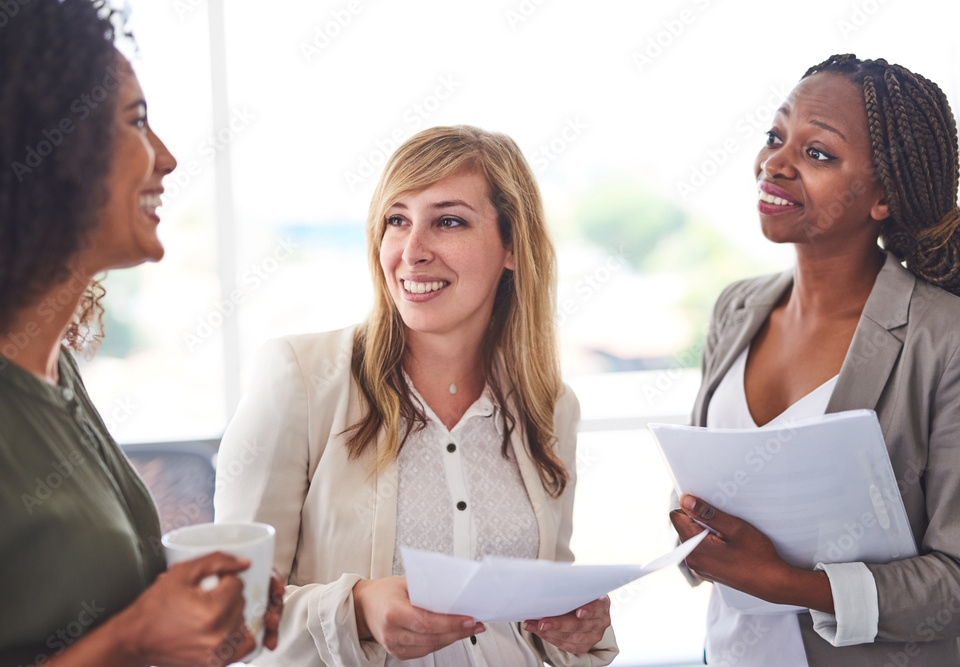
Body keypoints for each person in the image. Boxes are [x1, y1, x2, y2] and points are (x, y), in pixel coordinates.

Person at [215, 125, 618, 665]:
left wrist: (578, 626)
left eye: (448, 221)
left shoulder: (551, 406)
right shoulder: (299, 380)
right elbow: (227, 617)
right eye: (397, 220)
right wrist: (357, 609)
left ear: (512, 248)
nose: (411, 251)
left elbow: (541, 607)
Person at [0, 1, 281, 665]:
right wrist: (133, 637)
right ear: (40, 150)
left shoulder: (55, 373)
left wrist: (183, 622)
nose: (164, 157)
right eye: (136, 122)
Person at [669, 54, 960, 666]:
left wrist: (784, 582)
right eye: (776, 138)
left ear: (885, 195)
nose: (775, 164)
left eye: (818, 153)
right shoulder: (736, 308)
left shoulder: (944, 339)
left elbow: (955, 583)